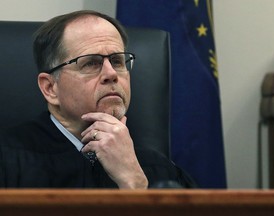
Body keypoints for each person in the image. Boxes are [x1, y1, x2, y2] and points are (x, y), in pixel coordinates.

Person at [0, 10, 195, 189]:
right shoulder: (9, 160)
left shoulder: (159, 170)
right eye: (91, 63)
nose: (111, 74)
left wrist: (134, 182)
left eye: (117, 61)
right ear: (50, 88)